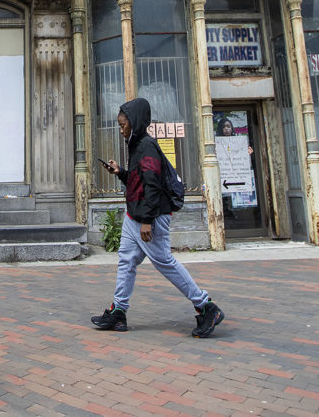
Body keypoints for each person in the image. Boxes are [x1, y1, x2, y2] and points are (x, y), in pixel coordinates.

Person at [92, 97, 225, 337]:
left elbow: (152, 185)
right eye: (119, 125)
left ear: (135, 122)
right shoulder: (137, 145)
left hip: (148, 216)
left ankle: (206, 306)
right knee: (126, 260)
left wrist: (146, 220)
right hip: (135, 215)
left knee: (164, 261)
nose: (121, 130)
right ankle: (118, 311)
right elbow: (138, 182)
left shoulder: (147, 146)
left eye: (123, 125)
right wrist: (120, 172)